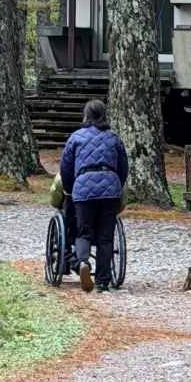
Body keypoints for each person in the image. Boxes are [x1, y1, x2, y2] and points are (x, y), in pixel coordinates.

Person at [58, 97, 128, 293]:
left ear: (85, 116)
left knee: (84, 231)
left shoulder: (76, 137)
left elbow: (65, 166)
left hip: (83, 188)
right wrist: (117, 187)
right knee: (106, 237)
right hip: (110, 189)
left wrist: (68, 189)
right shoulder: (114, 138)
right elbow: (123, 167)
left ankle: (82, 263)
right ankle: (103, 282)